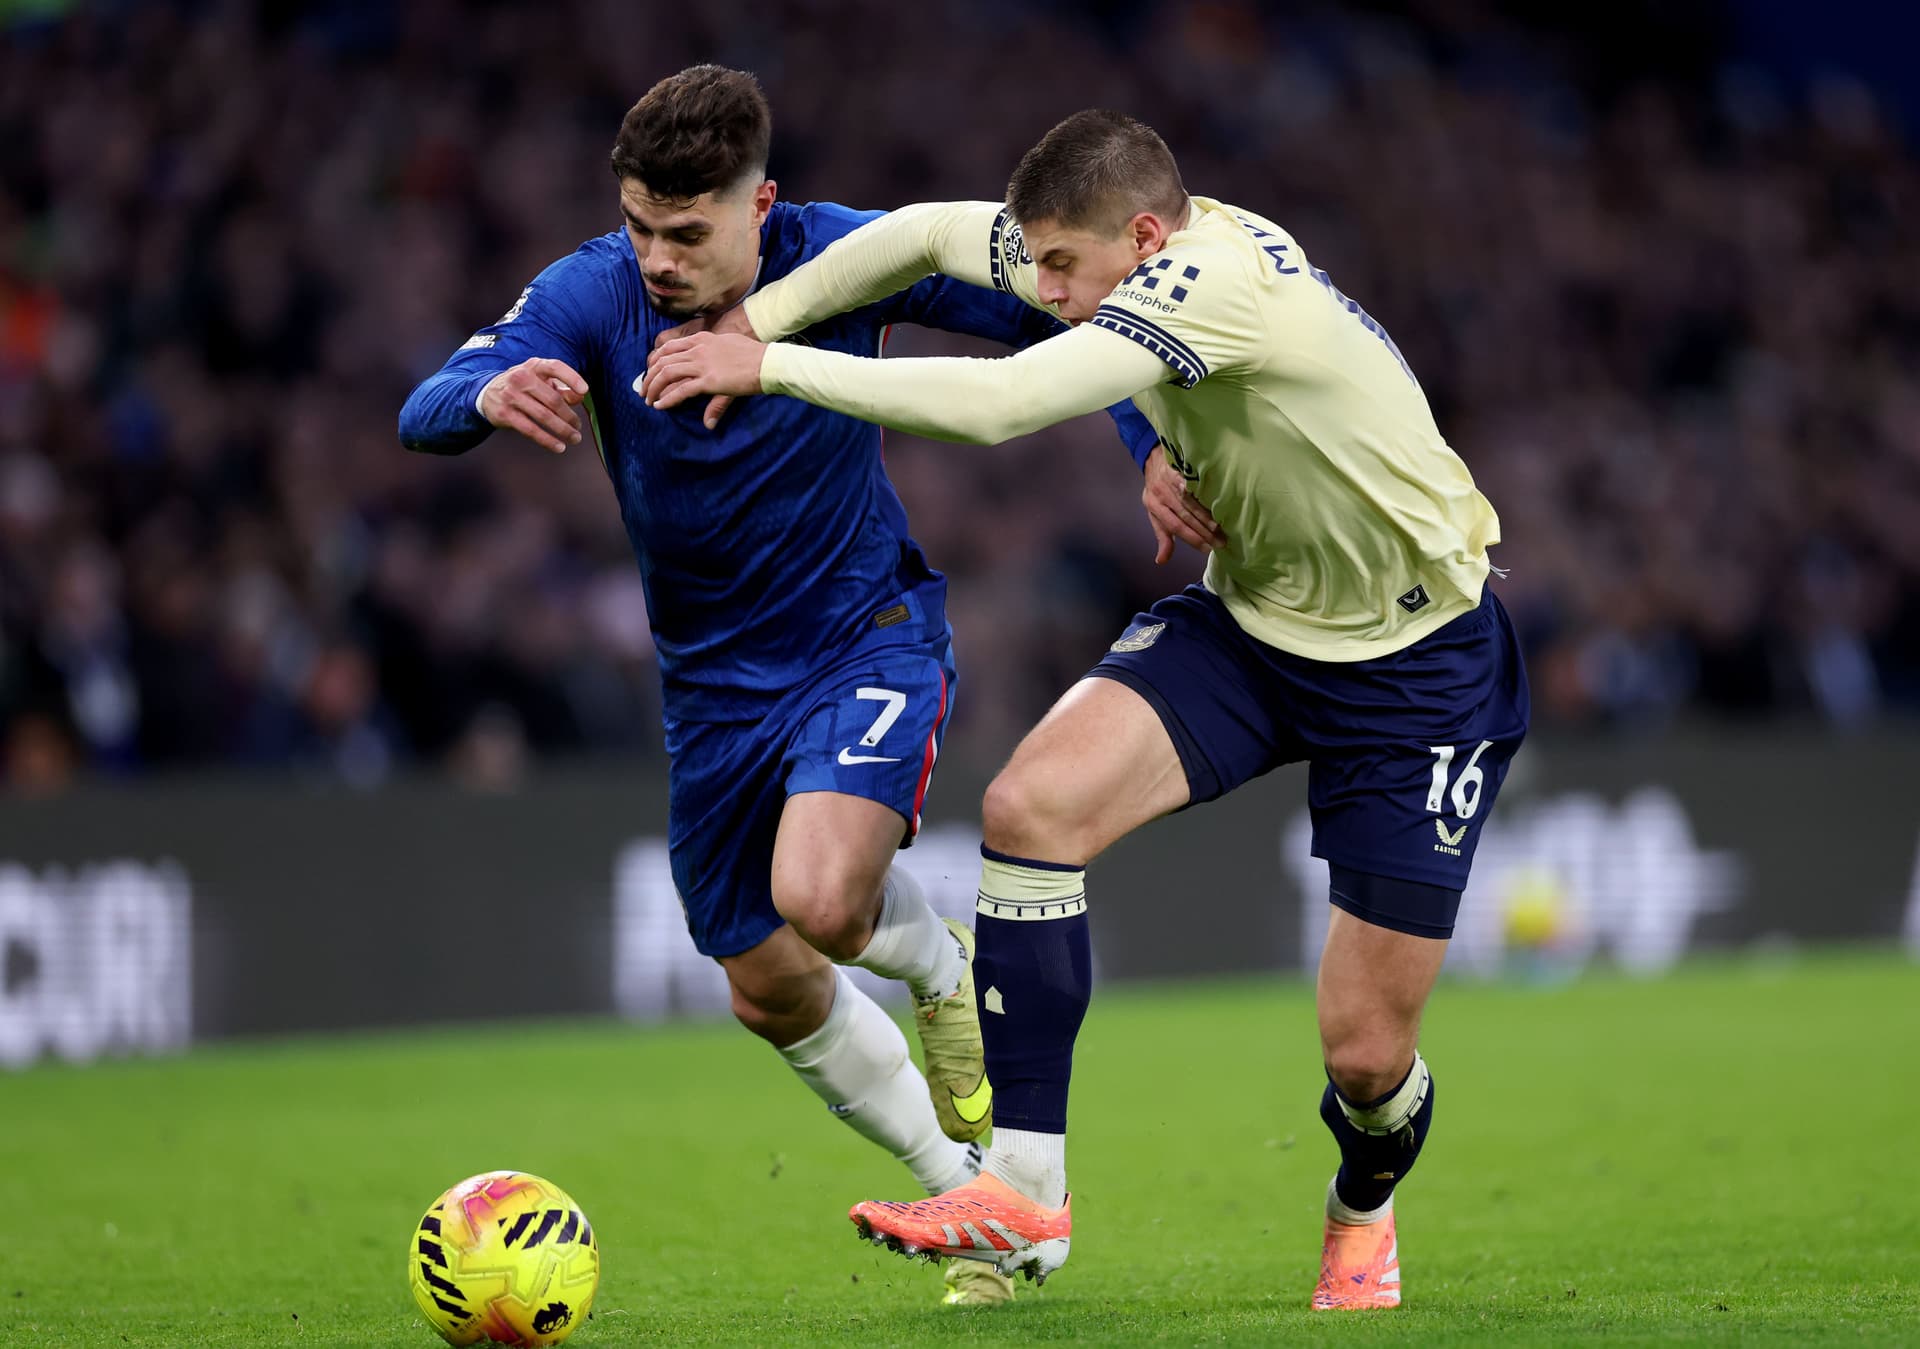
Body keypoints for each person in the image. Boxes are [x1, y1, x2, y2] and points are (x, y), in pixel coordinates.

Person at [643, 108, 1530, 1310]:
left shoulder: (1216, 283)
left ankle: (1360, 1205)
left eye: (1064, 267)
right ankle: (1024, 1192)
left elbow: (1004, 406)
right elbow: (914, 237)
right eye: (1038, 260)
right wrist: (763, 309)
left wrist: (768, 362)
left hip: (1417, 661)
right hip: (1257, 621)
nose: (1043, 286)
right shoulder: (1101, 252)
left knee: (1367, 1055)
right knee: (1029, 804)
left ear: (1147, 236)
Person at [397, 71, 1164, 1307]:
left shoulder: (848, 253)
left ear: (765, 204)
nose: (657, 258)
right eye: (642, 225)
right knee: (764, 985)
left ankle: (940, 967)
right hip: (709, 695)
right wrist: (486, 395)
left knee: (819, 892)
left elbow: (1067, 321)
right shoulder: (594, 292)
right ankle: (971, 1188)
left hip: (865, 633)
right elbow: (422, 403)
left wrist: (1154, 449)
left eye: (688, 233)